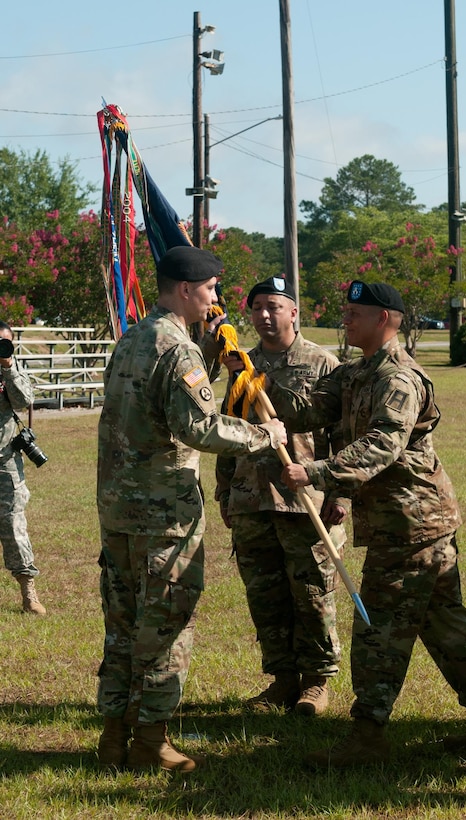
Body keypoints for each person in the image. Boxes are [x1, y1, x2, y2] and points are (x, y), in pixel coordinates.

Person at [270, 280, 466, 767]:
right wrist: (252, 377)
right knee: (446, 625)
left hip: (413, 524)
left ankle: (368, 735)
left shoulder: (398, 379)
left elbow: (384, 443)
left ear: (383, 318)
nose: (346, 319)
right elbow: (309, 411)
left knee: (377, 628)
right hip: (406, 522)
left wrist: (316, 473)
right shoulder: (356, 373)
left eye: (354, 313)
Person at [96, 246, 287, 772]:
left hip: (118, 509)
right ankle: (151, 741)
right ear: (186, 290)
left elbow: (154, 409)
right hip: (164, 516)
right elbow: (198, 426)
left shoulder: (132, 338)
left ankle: (114, 735)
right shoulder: (175, 350)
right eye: (211, 289)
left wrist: (204, 353)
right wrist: (262, 435)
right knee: (165, 627)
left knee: (123, 625)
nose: (216, 298)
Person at [215, 276, 348, 716]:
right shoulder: (241, 365)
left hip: (304, 496)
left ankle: (317, 682)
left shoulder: (322, 363)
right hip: (252, 496)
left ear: (295, 312)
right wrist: (223, 490)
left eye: (274, 306)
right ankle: (283, 680)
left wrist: (340, 493)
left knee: (311, 591)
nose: (265, 316)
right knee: (265, 593)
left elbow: (342, 434)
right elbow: (228, 429)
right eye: (257, 308)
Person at [0, 321, 46, 616]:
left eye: (4, 342)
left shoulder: (10, 370)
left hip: (4, 461)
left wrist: (7, 366)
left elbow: (25, 399)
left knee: (14, 526)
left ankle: (28, 593)